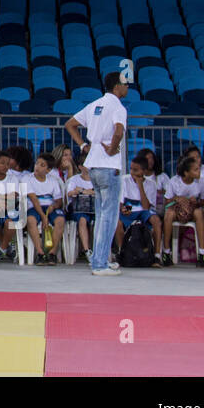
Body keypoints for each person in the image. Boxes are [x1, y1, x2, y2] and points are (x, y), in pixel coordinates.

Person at [64, 72, 128, 276]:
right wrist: (113, 148)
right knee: (109, 215)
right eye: (125, 85)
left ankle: (100, 260)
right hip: (109, 165)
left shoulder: (95, 105)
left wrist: (83, 145)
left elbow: (70, 124)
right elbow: (118, 131)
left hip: (93, 164)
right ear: (117, 86)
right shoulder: (118, 107)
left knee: (102, 215)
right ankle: (100, 263)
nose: (127, 88)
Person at [115, 156, 164, 268]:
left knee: (156, 220)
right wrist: (123, 209)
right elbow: (121, 203)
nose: (132, 172)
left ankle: (156, 255)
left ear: (144, 171)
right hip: (129, 209)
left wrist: (140, 185)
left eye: (136, 170)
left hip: (143, 210)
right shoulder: (124, 180)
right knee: (117, 223)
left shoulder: (151, 184)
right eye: (131, 169)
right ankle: (122, 252)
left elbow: (146, 207)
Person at [161, 154, 204, 267]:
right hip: (176, 209)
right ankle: (166, 251)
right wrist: (177, 199)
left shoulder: (201, 182)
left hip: (192, 209)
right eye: (196, 170)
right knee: (168, 214)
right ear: (186, 173)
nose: (199, 172)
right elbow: (167, 202)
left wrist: (195, 202)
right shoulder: (174, 181)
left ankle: (202, 253)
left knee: (199, 212)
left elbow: (203, 202)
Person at [24, 152, 66, 265]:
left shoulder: (53, 180)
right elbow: (33, 199)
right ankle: (40, 253)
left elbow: (59, 200)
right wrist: (43, 217)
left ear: (48, 170)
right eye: (37, 163)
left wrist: (53, 206)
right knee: (31, 220)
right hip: (34, 207)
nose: (37, 167)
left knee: (60, 220)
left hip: (49, 208)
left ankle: (52, 253)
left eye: (42, 165)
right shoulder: (27, 178)